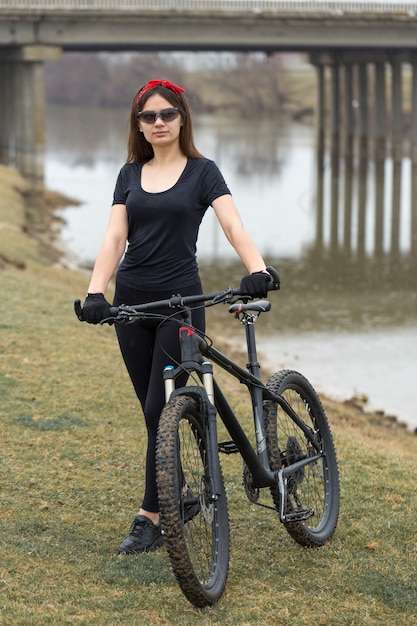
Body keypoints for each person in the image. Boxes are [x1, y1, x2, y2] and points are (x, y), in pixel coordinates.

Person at [79, 79, 270, 554]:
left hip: (180, 304)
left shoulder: (203, 172)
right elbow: (113, 239)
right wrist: (95, 291)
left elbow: (232, 224)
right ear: (139, 125)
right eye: (149, 117)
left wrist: (258, 270)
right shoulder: (129, 174)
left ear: (182, 118)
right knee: (154, 417)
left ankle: (151, 516)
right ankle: (180, 493)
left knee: (157, 407)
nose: (158, 122)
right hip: (131, 305)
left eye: (167, 114)